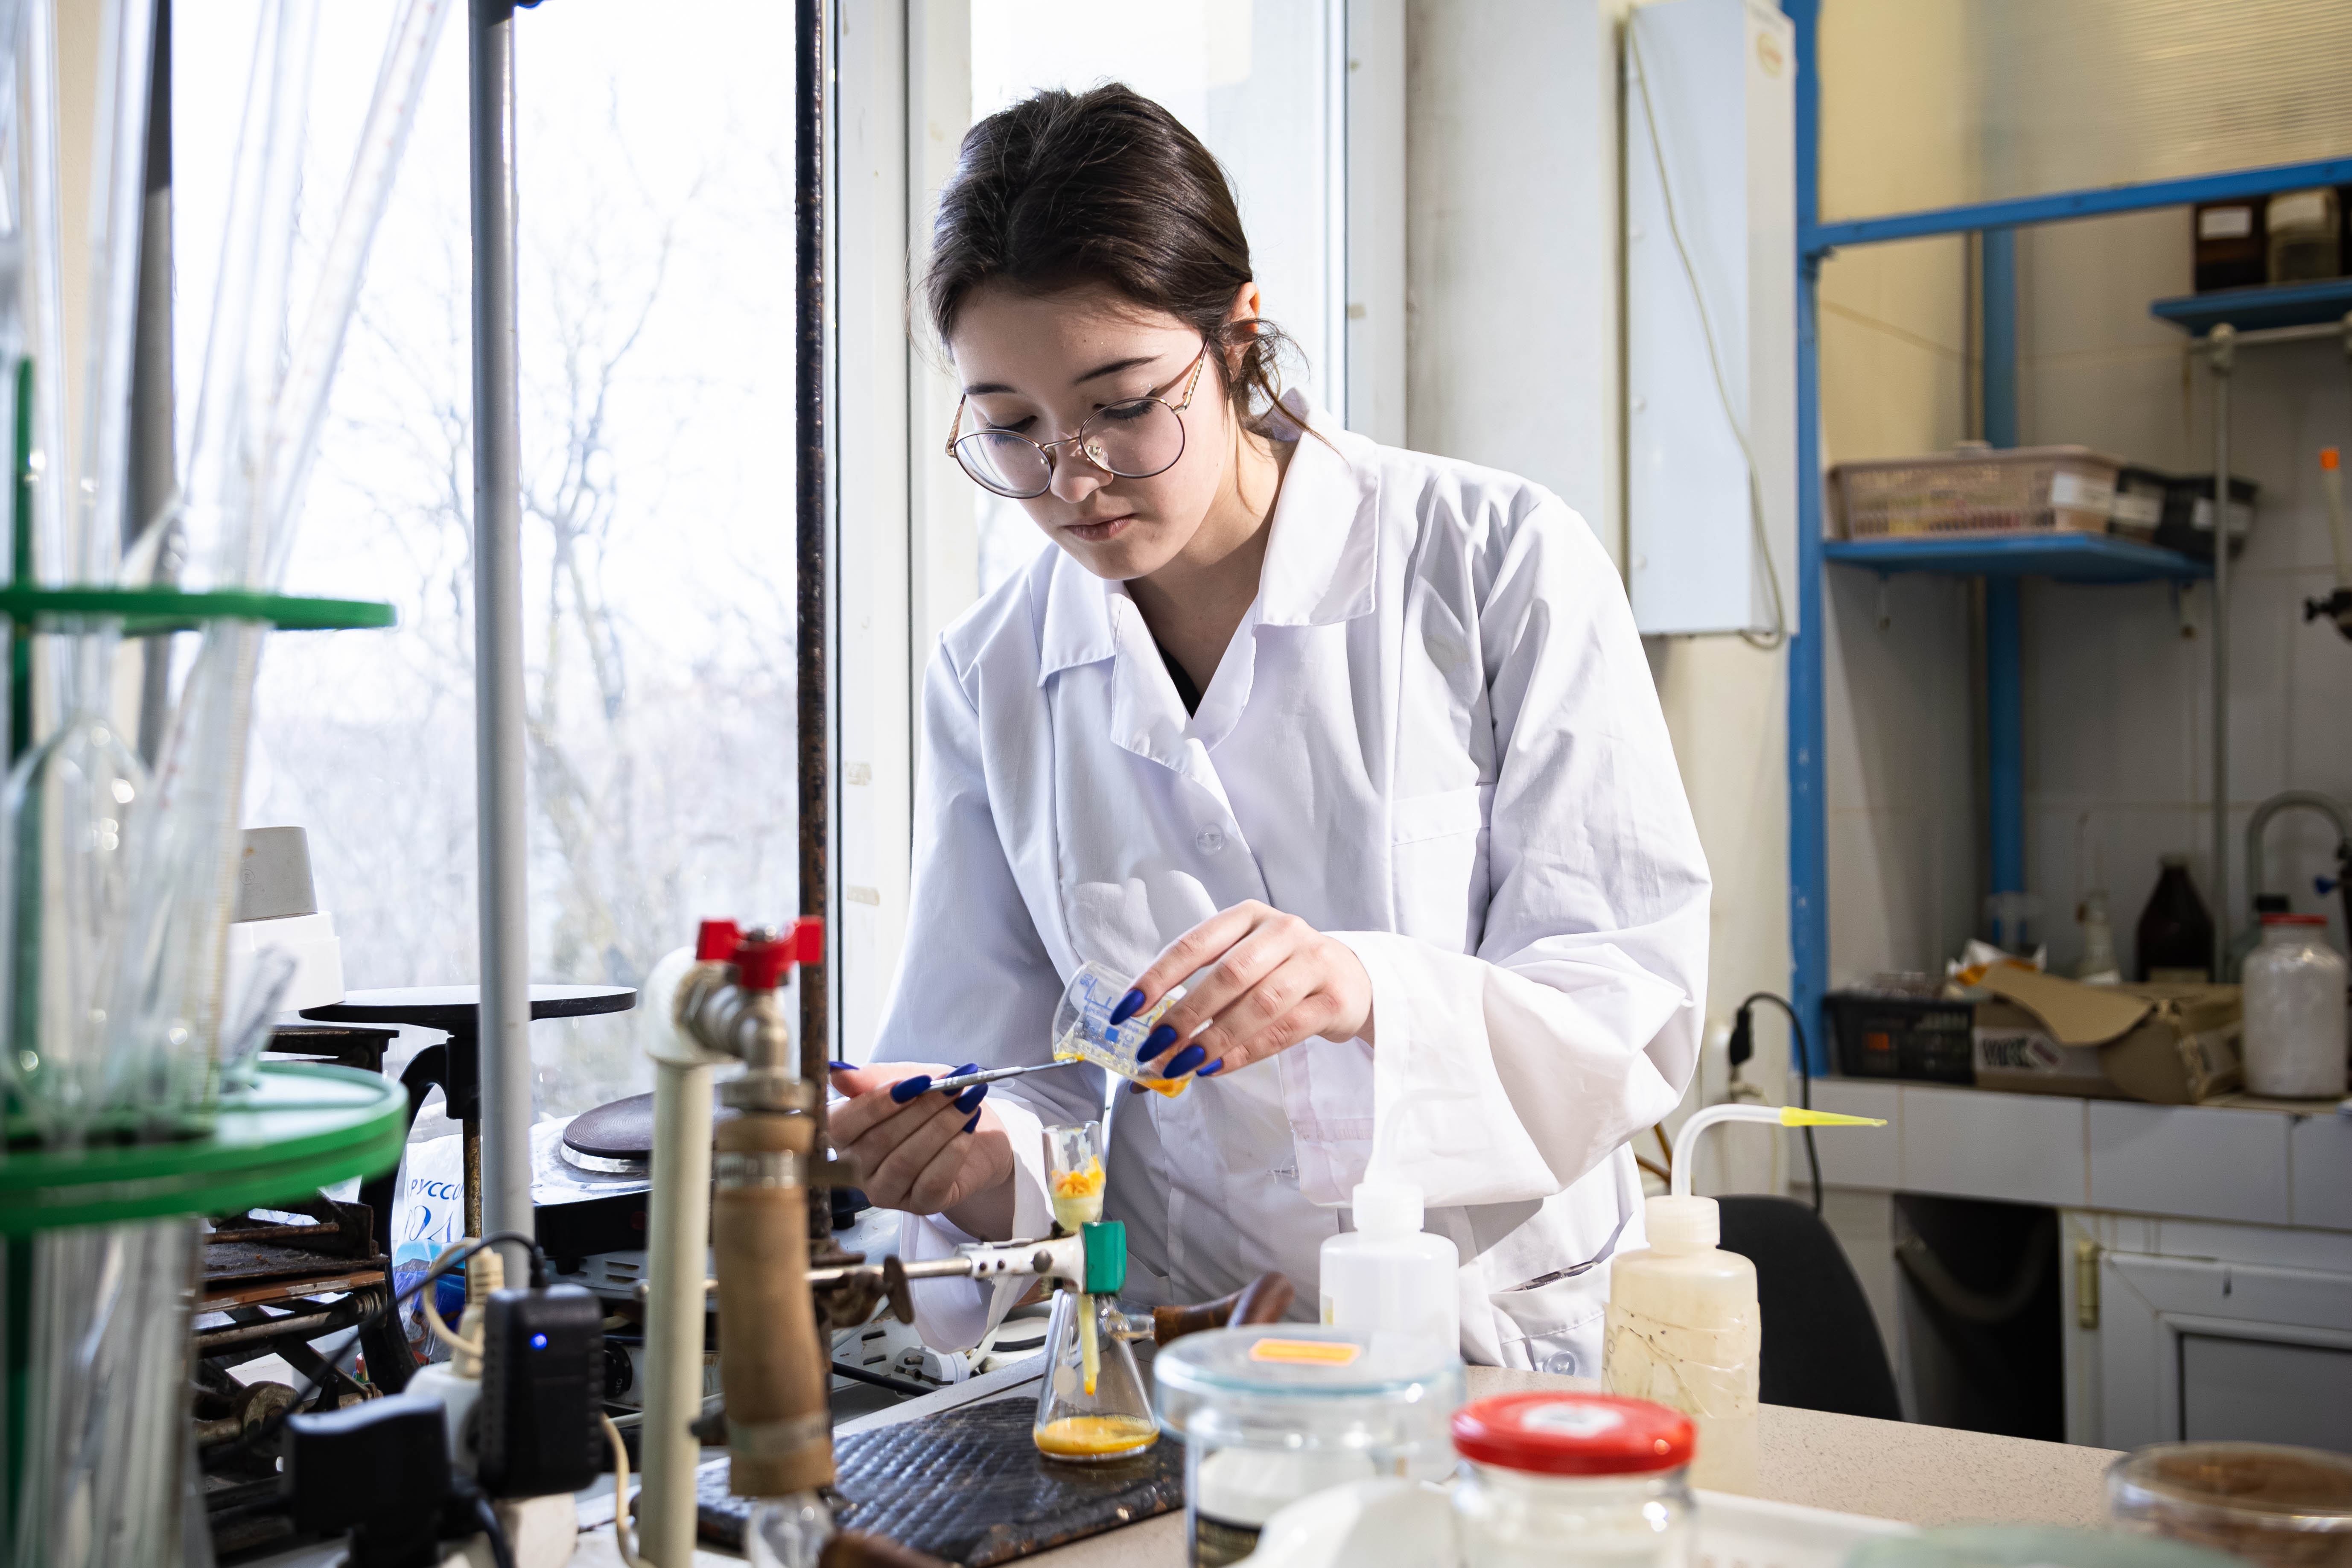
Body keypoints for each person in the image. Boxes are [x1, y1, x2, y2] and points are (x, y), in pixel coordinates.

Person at [824, 83, 1709, 1373]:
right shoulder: (993, 670)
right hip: (1192, 1351)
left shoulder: (1494, 560)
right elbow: (1009, 1078)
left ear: (1238, 338)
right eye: (1012, 426)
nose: (1073, 476)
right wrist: (974, 1165)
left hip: (1500, 1341)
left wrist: (1367, 990)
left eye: (1123, 403)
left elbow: (1628, 993)